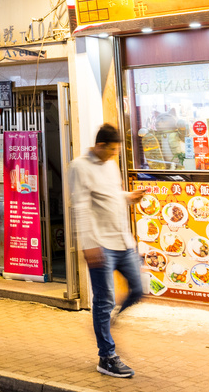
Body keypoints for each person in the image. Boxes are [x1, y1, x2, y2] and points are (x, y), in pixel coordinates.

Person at [69, 124, 143, 380]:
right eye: (111, 150)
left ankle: (106, 323)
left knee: (138, 289)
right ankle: (106, 356)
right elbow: (80, 206)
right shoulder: (79, 166)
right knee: (103, 300)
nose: (114, 155)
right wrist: (88, 244)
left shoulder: (110, 164)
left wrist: (127, 196)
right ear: (99, 146)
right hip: (100, 245)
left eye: (116, 151)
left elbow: (110, 195)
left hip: (123, 242)